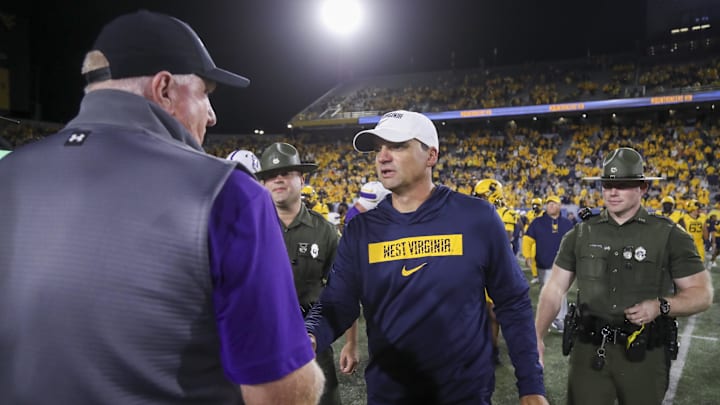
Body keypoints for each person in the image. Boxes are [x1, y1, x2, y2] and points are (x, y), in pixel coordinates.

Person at [0, 10, 324, 405]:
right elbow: (279, 393)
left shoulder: (10, 174)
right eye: (205, 93)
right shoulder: (228, 192)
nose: (212, 113)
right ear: (166, 89)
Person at [306, 110, 548, 404]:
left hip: (464, 395)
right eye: (378, 148)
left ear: (431, 155)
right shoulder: (360, 231)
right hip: (390, 395)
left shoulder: (477, 218)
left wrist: (532, 386)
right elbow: (337, 304)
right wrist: (310, 334)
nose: (382, 156)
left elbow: (512, 302)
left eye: (396, 146)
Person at [535, 147, 713, 405]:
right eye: (607, 184)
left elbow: (702, 293)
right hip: (589, 351)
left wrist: (662, 306)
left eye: (622, 184)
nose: (612, 191)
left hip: (645, 354)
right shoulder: (580, 233)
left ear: (642, 188)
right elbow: (554, 288)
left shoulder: (669, 234)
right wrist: (537, 336)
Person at [256, 142, 359, 405]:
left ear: (302, 179)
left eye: (287, 172)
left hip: (312, 345)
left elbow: (343, 290)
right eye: (270, 175)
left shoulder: (324, 231)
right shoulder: (248, 229)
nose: (278, 179)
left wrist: (351, 343)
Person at [522, 196, 574, 332]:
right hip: (543, 264)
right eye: (548, 204)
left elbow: (575, 242)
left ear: (559, 206)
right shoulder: (537, 222)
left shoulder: (567, 223)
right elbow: (527, 240)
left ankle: (560, 319)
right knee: (546, 293)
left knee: (561, 292)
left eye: (553, 204)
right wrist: (527, 256)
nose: (550, 206)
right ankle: (548, 319)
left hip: (563, 265)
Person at [525, 197, 545, 283]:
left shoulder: (545, 214)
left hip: (542, 238)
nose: (535, 206)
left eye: (537, 205)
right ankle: (535, 276)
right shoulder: (529, 214)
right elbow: (527, 224)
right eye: (533, 205)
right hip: (532, 239)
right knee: (532, 257)